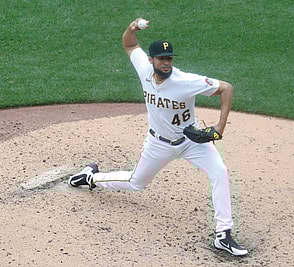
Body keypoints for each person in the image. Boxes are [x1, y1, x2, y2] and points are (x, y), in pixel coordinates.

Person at [68, 18, 248, 256]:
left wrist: (220, 126)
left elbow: (226, 88)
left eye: (169, 58)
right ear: (152, 60)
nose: (166, 62)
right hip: (157, 144)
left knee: (220, 172)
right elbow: (130, 46)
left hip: (190, 142)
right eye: (162, 58)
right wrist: (131, 29)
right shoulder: (144, 69)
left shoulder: (185, 81)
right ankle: (91, 178)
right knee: (136, 183)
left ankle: (223, 234)